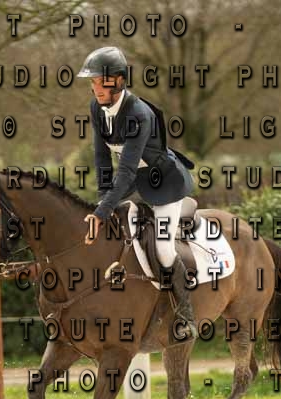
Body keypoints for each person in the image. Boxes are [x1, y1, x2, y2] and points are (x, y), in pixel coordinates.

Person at [77, 45, 199, 342]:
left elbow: (127, 170)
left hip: (164, 181)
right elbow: (102, 159)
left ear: (118, 80)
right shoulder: (96, 108)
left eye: (100, 81)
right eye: (92, 82)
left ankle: (186, 314)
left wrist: (102, 210)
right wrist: (102, 202)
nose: (95, 88)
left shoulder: (138, 114)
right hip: (134, 180)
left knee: (163, 249)